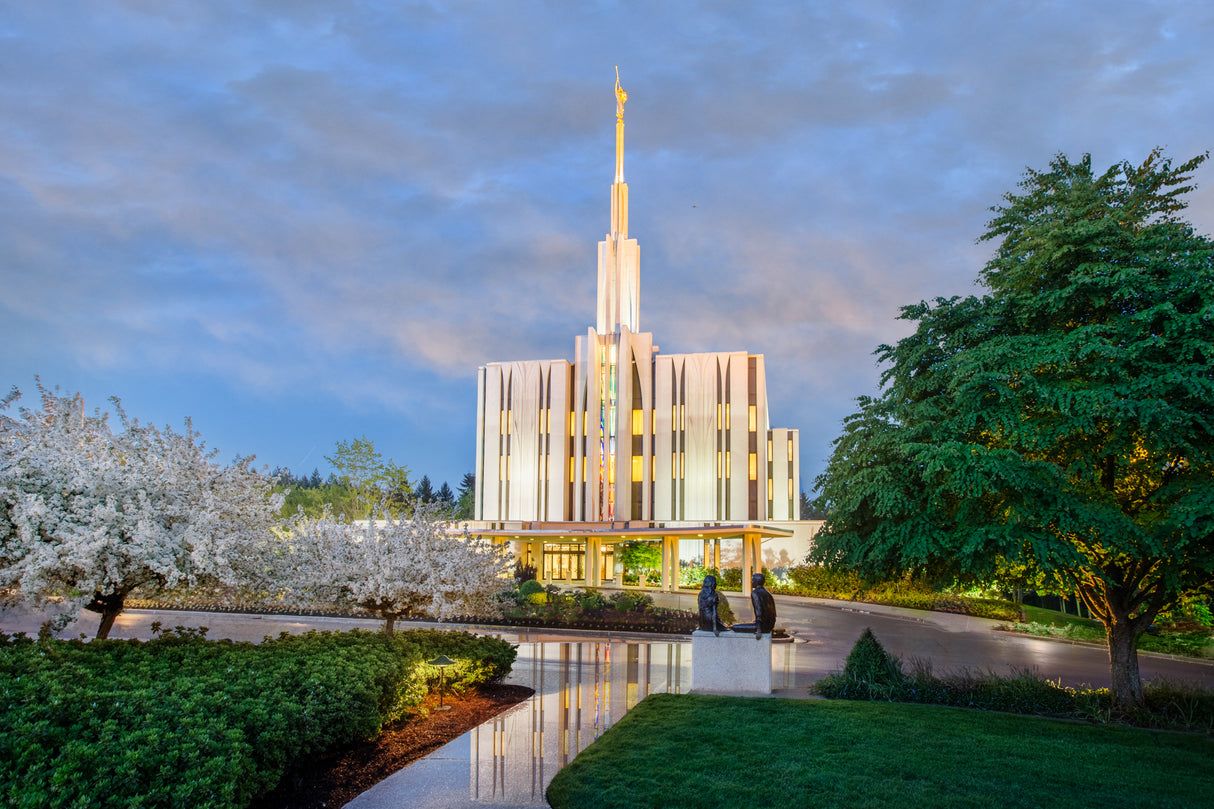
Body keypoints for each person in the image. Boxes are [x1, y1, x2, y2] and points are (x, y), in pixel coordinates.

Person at [730, 573, 776, 638]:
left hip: (762, 627)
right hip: (770, 626)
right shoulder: (767, 593)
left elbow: (758, 610)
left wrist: (759, 630)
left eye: (752, 580)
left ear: (757, 582)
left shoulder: (755, 593)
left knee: (734, 627)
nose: (751, 582)